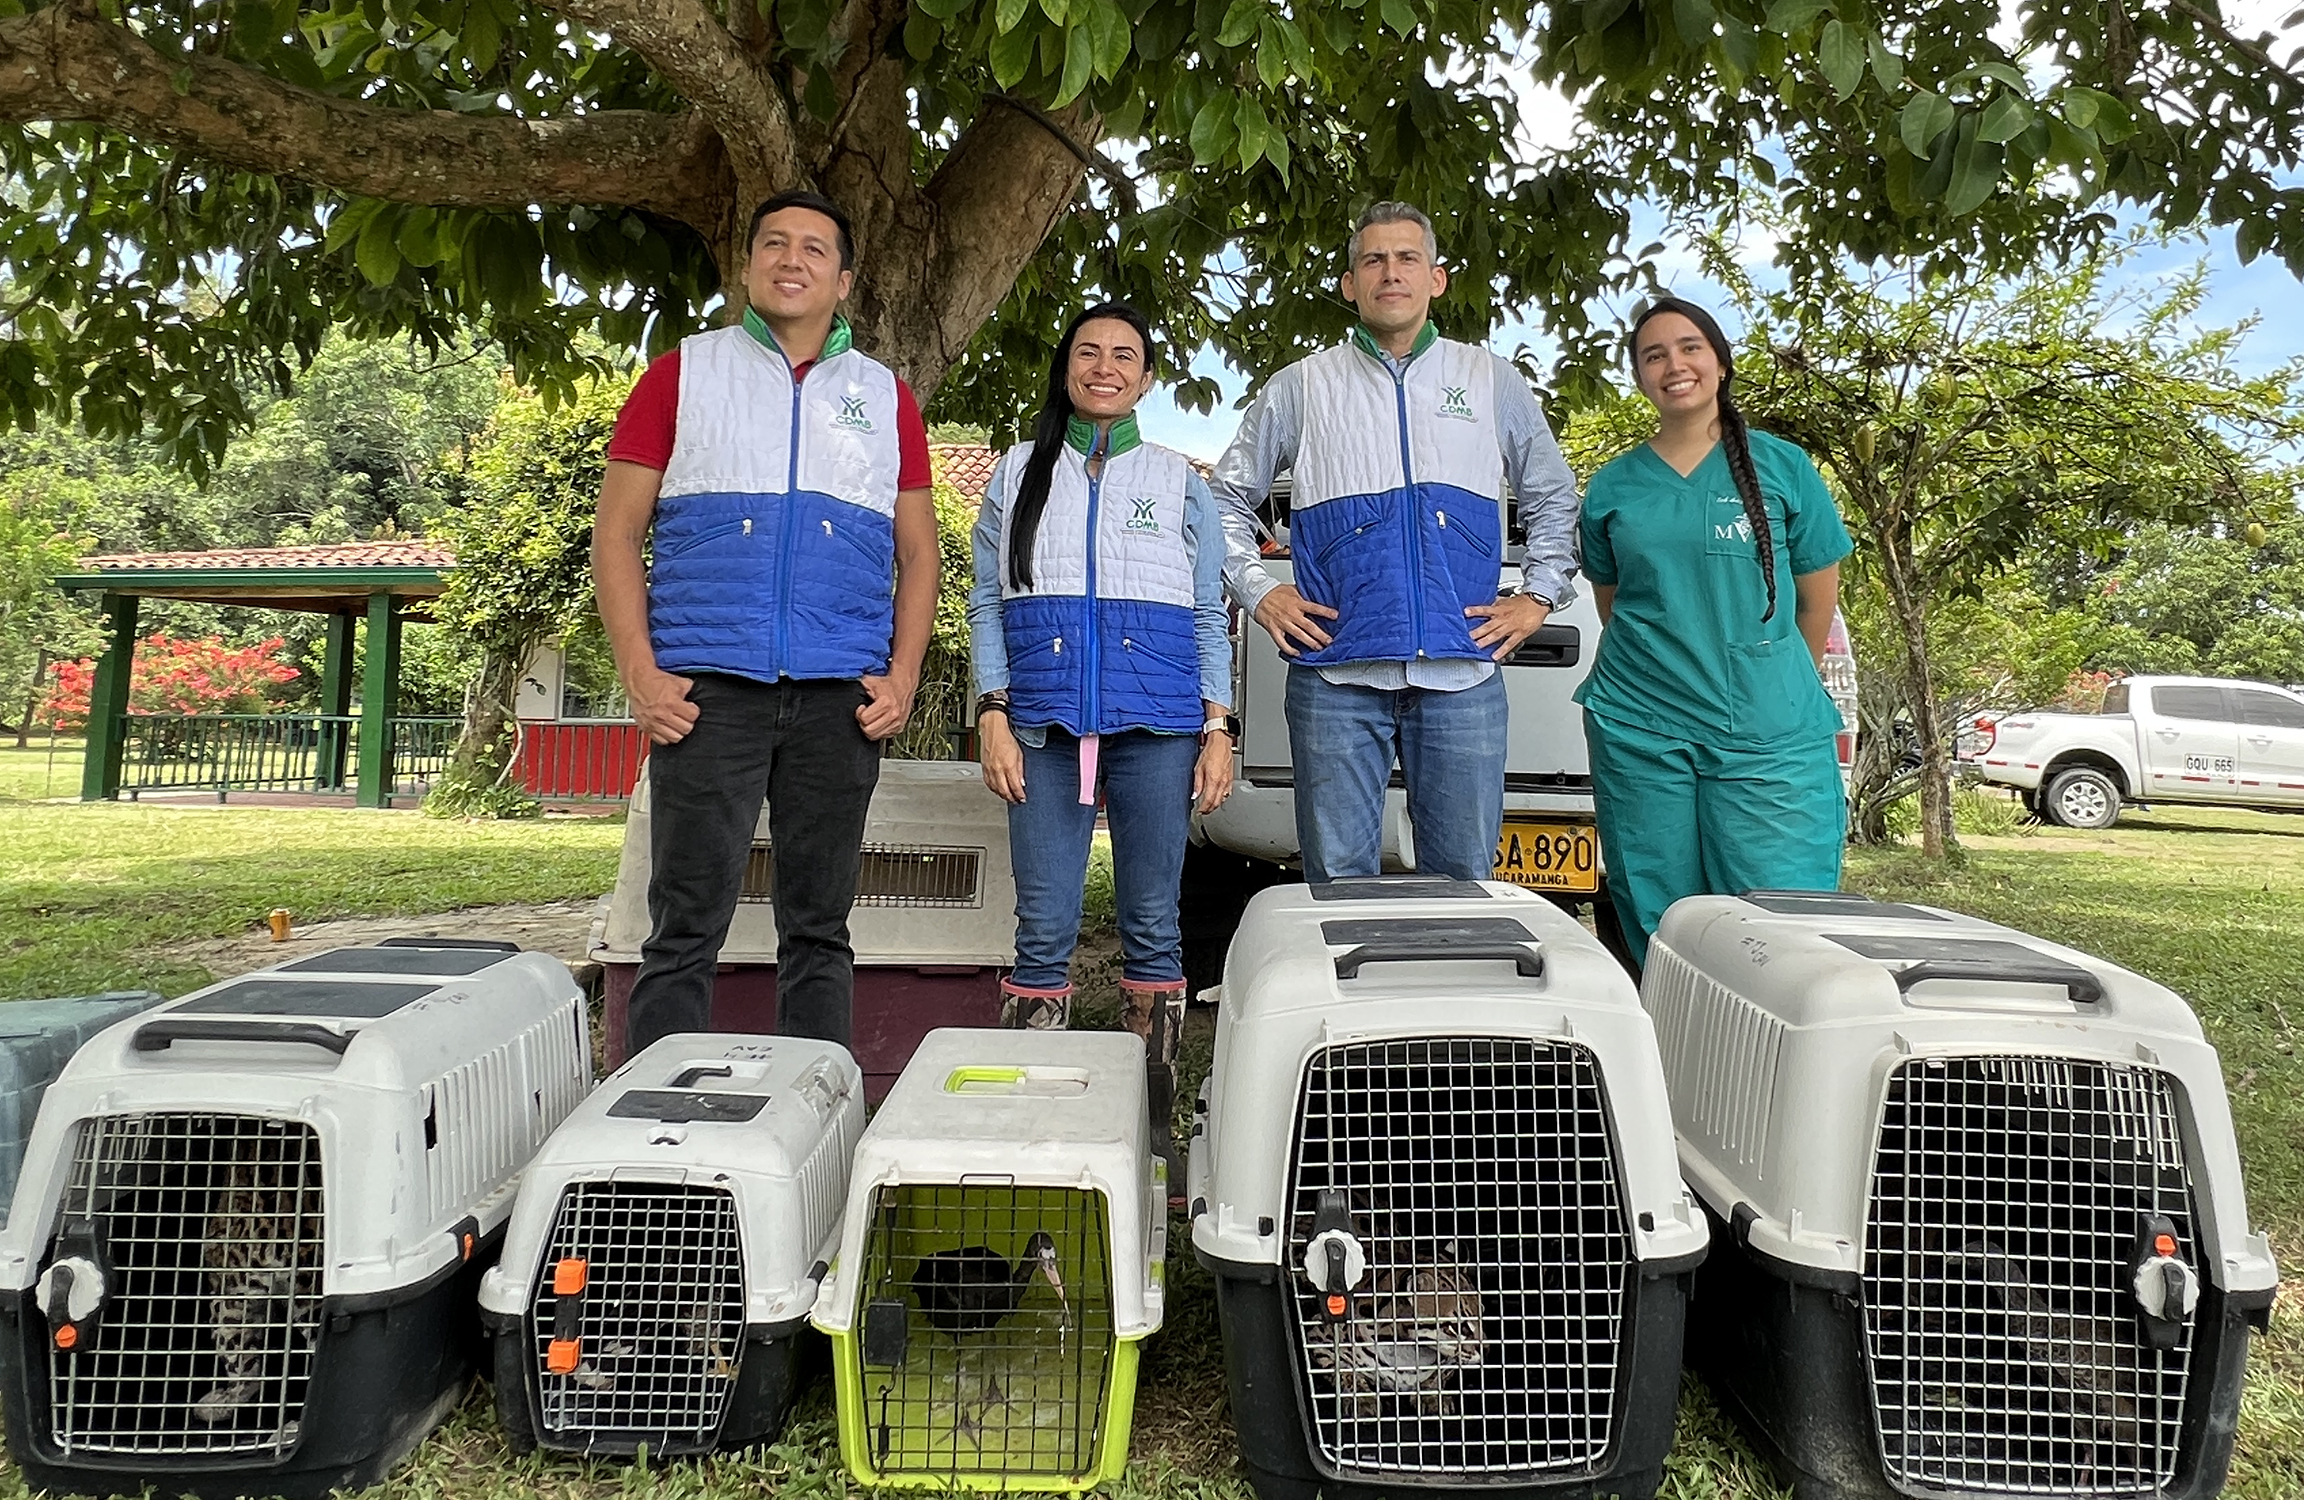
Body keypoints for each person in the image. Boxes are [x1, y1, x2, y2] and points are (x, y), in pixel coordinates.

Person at [594, 189, 939, 1054]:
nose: (793, 260)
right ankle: (649, 1134)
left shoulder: (886, 397)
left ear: (844, 279)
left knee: (820, 930)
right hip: (705, 691)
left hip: (839, 696)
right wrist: (640, 669)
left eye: (815, 249)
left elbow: (921, 555)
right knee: (682, 927)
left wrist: (902, 674)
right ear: (748, 268)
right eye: (774, 244)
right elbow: (617, 532)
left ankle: (816, 1111)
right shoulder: (683, 372)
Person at [1211, 201, 1579, 883]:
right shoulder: (1301, 386)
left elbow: (1555, 496)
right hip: (1336, 675)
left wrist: (1538, 597)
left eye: (1407, 257)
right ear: (1350, 284)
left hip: (1462, 675)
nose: (1390, 272)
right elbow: (1222, 501)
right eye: (1373, 259)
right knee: (1338, 887)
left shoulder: (1492, 380)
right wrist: (1259, 592)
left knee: (1464, 884)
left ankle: (1448, 992)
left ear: (1436, 278)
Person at [968, 301, 1234, 1187]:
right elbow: (984, 604)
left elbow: (1205, 612)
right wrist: (992, 711)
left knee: (1154, 931)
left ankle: (1145, 1137)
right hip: (1040, 726)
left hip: (1156, 724)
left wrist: (1216, 725)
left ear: (1148, 378)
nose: (1106, 366)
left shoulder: (1176, 478)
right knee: (1042, 930)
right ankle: (1030, 1138)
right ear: (1067, 367)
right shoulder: (1013, 473)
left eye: (1127, 353)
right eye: (1089, 351)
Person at [1576, 296, 1854, 969]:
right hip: (1643, 729)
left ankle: (1775, 1069)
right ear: (1640, 378)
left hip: (1770, 733)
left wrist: (1767, 681)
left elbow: (1816, 602)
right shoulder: (1615, 487)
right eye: (1654, 354)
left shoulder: (1782, 469)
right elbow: (1618, 607)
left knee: (1782, 926)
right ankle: (1676, 1062)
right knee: (1664, 919)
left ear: (1720, 362)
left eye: (1690, 347)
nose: (1674, 364)